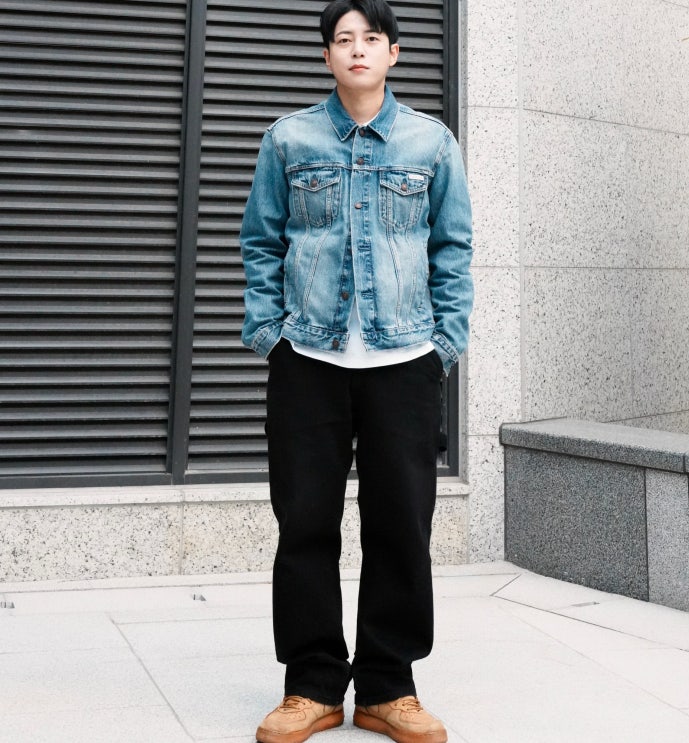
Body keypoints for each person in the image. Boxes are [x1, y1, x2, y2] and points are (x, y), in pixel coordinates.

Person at [240, 1, 473, 741]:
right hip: (307, 359)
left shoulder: (430, 142)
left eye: (371, 38)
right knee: (304, 523)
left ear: (394, 52)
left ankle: (387, 687)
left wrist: (444, 344)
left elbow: (452, 248)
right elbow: (260, 241)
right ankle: (310, 686)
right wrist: (270, 335)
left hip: (403, 361)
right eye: (344, 39)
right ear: (327, 56)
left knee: (400, 524)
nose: (358, 49)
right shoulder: (288, 138)